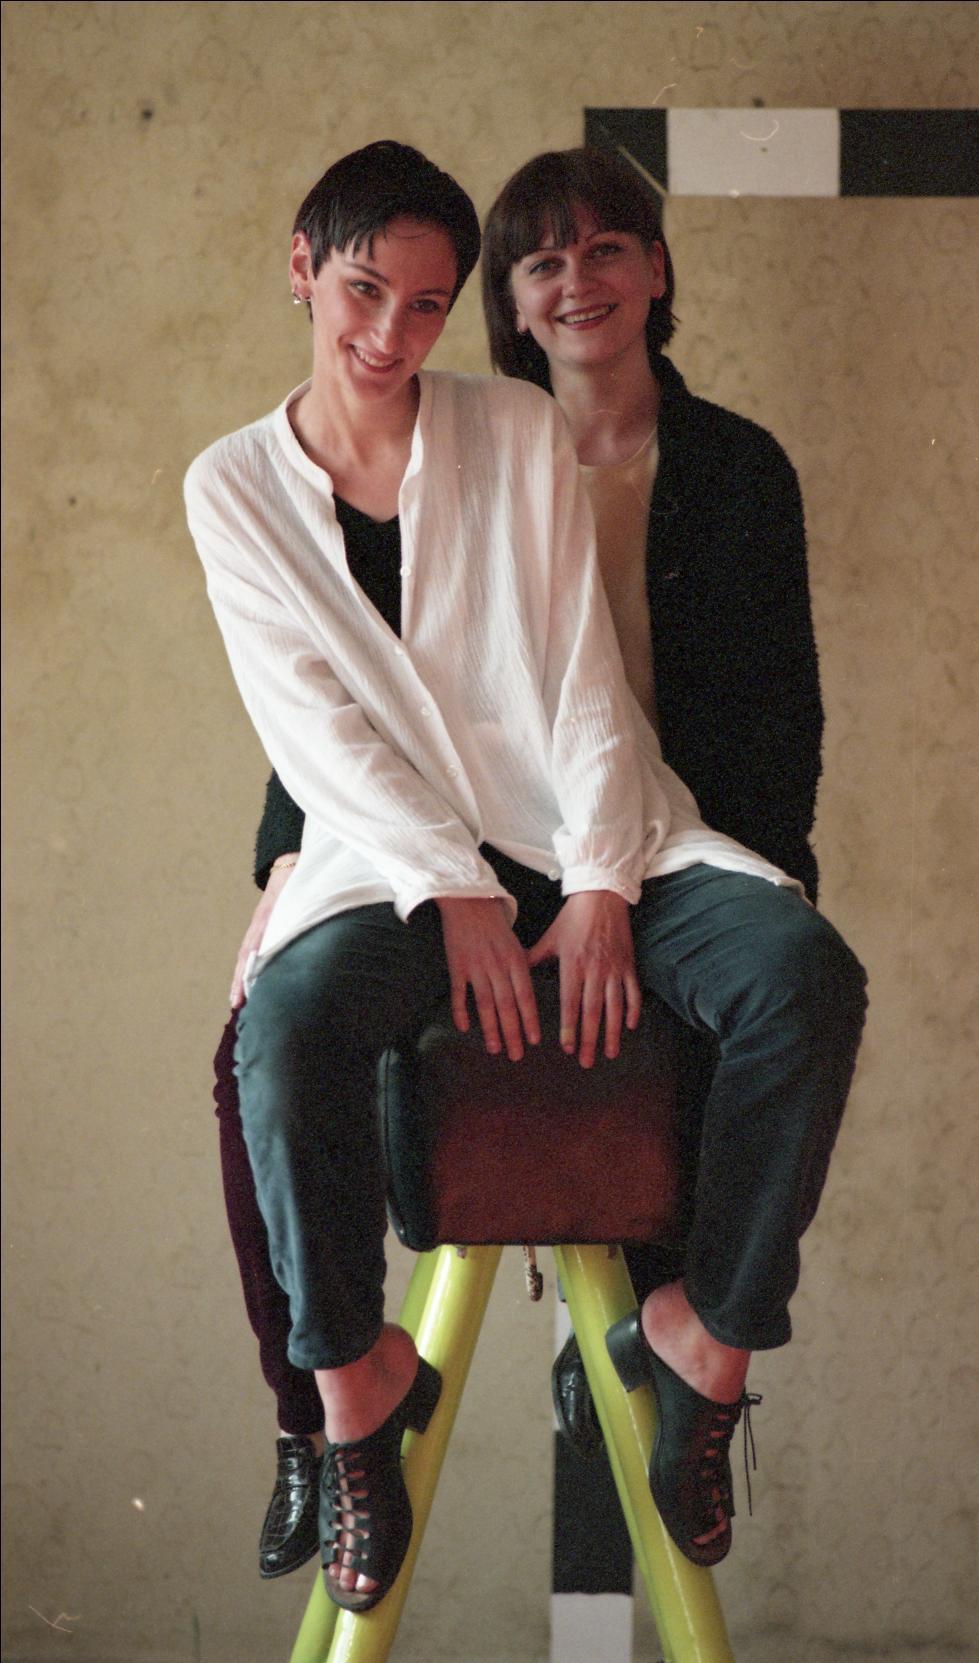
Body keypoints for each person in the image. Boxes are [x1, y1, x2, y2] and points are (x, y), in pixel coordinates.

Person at [188, 141, 866, 1607]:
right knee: (276, 1028)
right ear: (303, 270)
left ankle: (703, 1342)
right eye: (365, 291)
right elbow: (314, 731)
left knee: (802, 976)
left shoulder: (520, 431)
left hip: (605, 826)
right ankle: (344, 1398)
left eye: (427, 303)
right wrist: (437, 886)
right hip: (395, 860)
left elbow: (579, 681)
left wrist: (612, 880)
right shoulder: (232, 485)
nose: (392, 331)